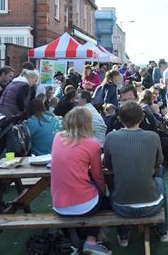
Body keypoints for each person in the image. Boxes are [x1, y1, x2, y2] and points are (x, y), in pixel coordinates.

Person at [104, 101, 168, 245]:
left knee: (113, 182)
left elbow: (107, 165)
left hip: (121, 206)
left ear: (119, 119)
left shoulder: (111, 137)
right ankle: (163, 231)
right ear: (141, 118)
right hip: (151, 205)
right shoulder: (153, 136)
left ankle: (123, 234)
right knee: (160, 180)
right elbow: (158, 163)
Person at [50, 107, 111, 255]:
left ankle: (75, 240)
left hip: (58, 205)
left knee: (87, 194)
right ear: (87, 123)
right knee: (106, 201)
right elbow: (98, 175)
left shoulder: (58, 137)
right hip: (84, 205)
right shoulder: (93, 144)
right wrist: (102, 193)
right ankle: (91, 239)